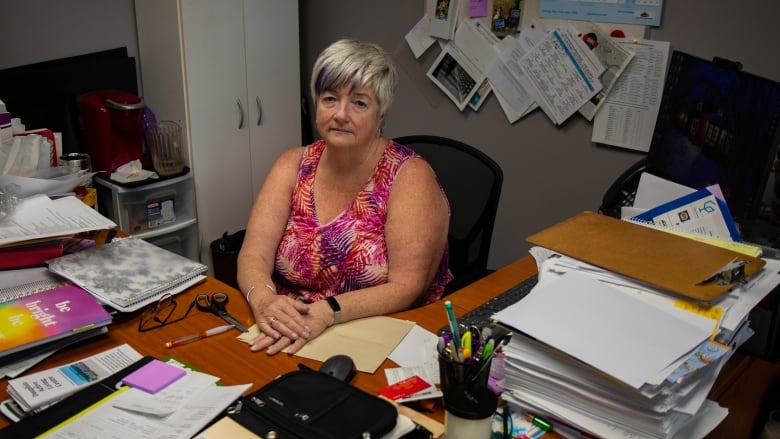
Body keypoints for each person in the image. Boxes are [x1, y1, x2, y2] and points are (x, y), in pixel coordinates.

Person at [237, 39, 451, 355]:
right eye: (329, 98)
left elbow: (408, 287)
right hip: (291, 327)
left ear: (382, 114)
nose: (340, 114)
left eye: (360, 103)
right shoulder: (292, 164)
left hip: (378, 335)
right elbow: (253, 255)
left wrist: (328, 311)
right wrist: (264, 299)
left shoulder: (409, 176)